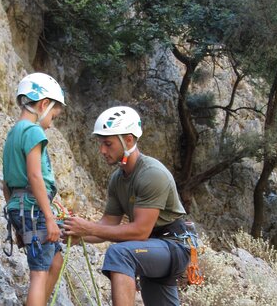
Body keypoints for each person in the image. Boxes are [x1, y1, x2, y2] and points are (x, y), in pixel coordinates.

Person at [63, 106, 191, 306]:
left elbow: (140, 231)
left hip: (171, 245)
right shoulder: (117, 179)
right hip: (149, 248)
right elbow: (108, 224)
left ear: (129, 139)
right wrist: (76, 234)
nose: (102, 150)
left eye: (108, 143)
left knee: (119, 253)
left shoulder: (151, 174)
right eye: (101, 144)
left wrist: (87, 228)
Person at [2, 73, 66, 306]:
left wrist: (17, 220)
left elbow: (5, 182)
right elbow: (35, 175)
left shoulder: (13, 134)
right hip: (35, 209)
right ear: (43, 104)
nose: (51, 123)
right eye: (53, 116)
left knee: (55, 261)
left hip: (20, 208)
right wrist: (49, 217)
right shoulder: (33, 131)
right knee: (39, 272)